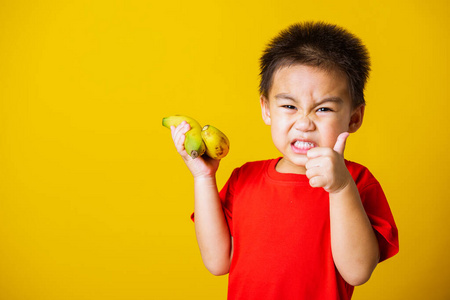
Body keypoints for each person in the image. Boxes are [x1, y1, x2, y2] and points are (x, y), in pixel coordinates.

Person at [169, 21, 399, 300]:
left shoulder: (356, 182)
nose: (304, 123)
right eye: (289, 106)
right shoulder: (245, 179)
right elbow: (218, 262)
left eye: (323, 108)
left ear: (354, 118)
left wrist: (340, 188)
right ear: (266, 109)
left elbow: (358, 271)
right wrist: (203, 178)